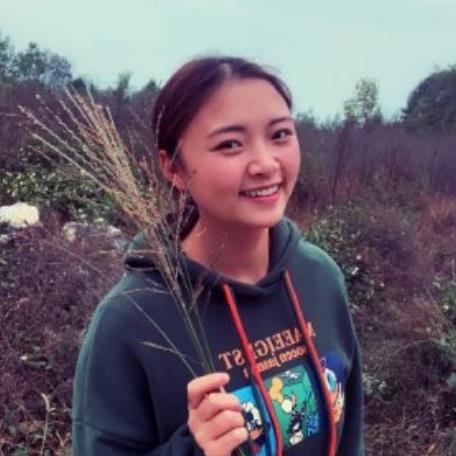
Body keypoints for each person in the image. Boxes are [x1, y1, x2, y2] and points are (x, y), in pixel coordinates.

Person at [72, 56, 364, 456]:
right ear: (173, 168)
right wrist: (192, 450)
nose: (265, 164)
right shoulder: (131, 319)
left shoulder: (319, 276)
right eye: (230, 144)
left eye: (280, 134)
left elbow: (349, 436)